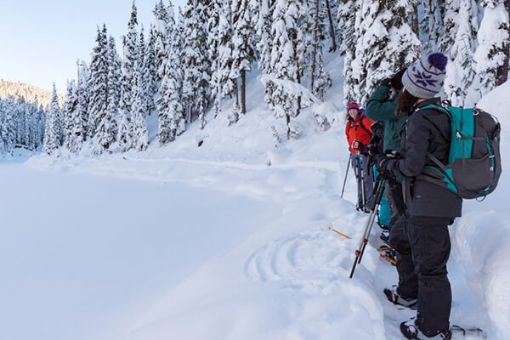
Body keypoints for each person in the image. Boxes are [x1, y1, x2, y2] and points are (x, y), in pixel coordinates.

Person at [375, 52, 460, 339]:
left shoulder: (422, 119)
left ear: (416, 88)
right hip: (427, 200)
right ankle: (410, 294)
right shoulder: (440, 113)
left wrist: (389, 164)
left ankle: (432, 330)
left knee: (431, 268)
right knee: (400, 238)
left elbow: (411, 166)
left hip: (429, 204)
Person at [366, 69, 407, 240]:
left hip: (395, 164)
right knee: (402, 205)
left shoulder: (400, 105)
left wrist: (385, 86)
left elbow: (372, 109)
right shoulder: (417, 105)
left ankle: (401, 244)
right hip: (407, 163)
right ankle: (403, 240)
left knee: (397, 206)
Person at [344, 101, 375, 212]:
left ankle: (369, 204)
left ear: (357, 110)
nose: (352, 112)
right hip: (354, 155)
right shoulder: (349, 123)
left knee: (367, 178)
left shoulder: (364, 120)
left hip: (365, 154)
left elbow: (375, 133)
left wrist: (367, 147)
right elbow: (348, 136)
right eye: (350, 110)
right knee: (359, 179)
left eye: (354, 110)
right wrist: (351, 148)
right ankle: (360, 202)